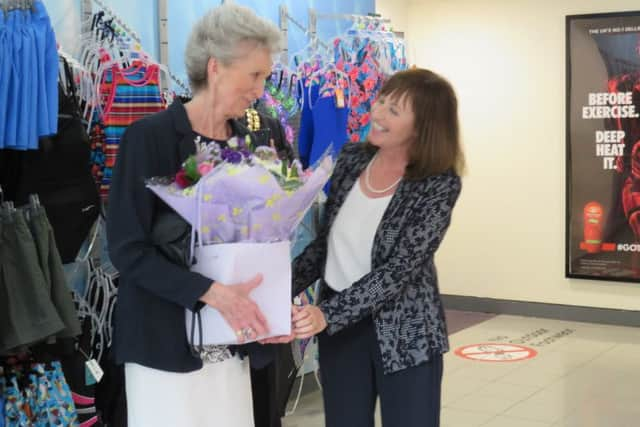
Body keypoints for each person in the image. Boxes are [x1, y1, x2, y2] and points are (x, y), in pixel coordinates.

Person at [106, 4, 283, 426]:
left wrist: (276, 304)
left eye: (266, 77)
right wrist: (209, 291)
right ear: (215, 67)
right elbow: (127, 249)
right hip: (163, 344)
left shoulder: (261, 138)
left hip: (236, 342)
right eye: (254, 75)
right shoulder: (150, 138)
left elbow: (271, 236)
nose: (261, 89)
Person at [290, 68, 465, 427]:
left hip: (406, 332)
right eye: (381, 101)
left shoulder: (438, 183)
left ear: (423, 126)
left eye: (394, 110)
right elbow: (326, 244)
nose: (377, 113)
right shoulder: (352, 160)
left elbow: (400, 268)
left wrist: (329, 313)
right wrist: (277, 287)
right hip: (340, 332)